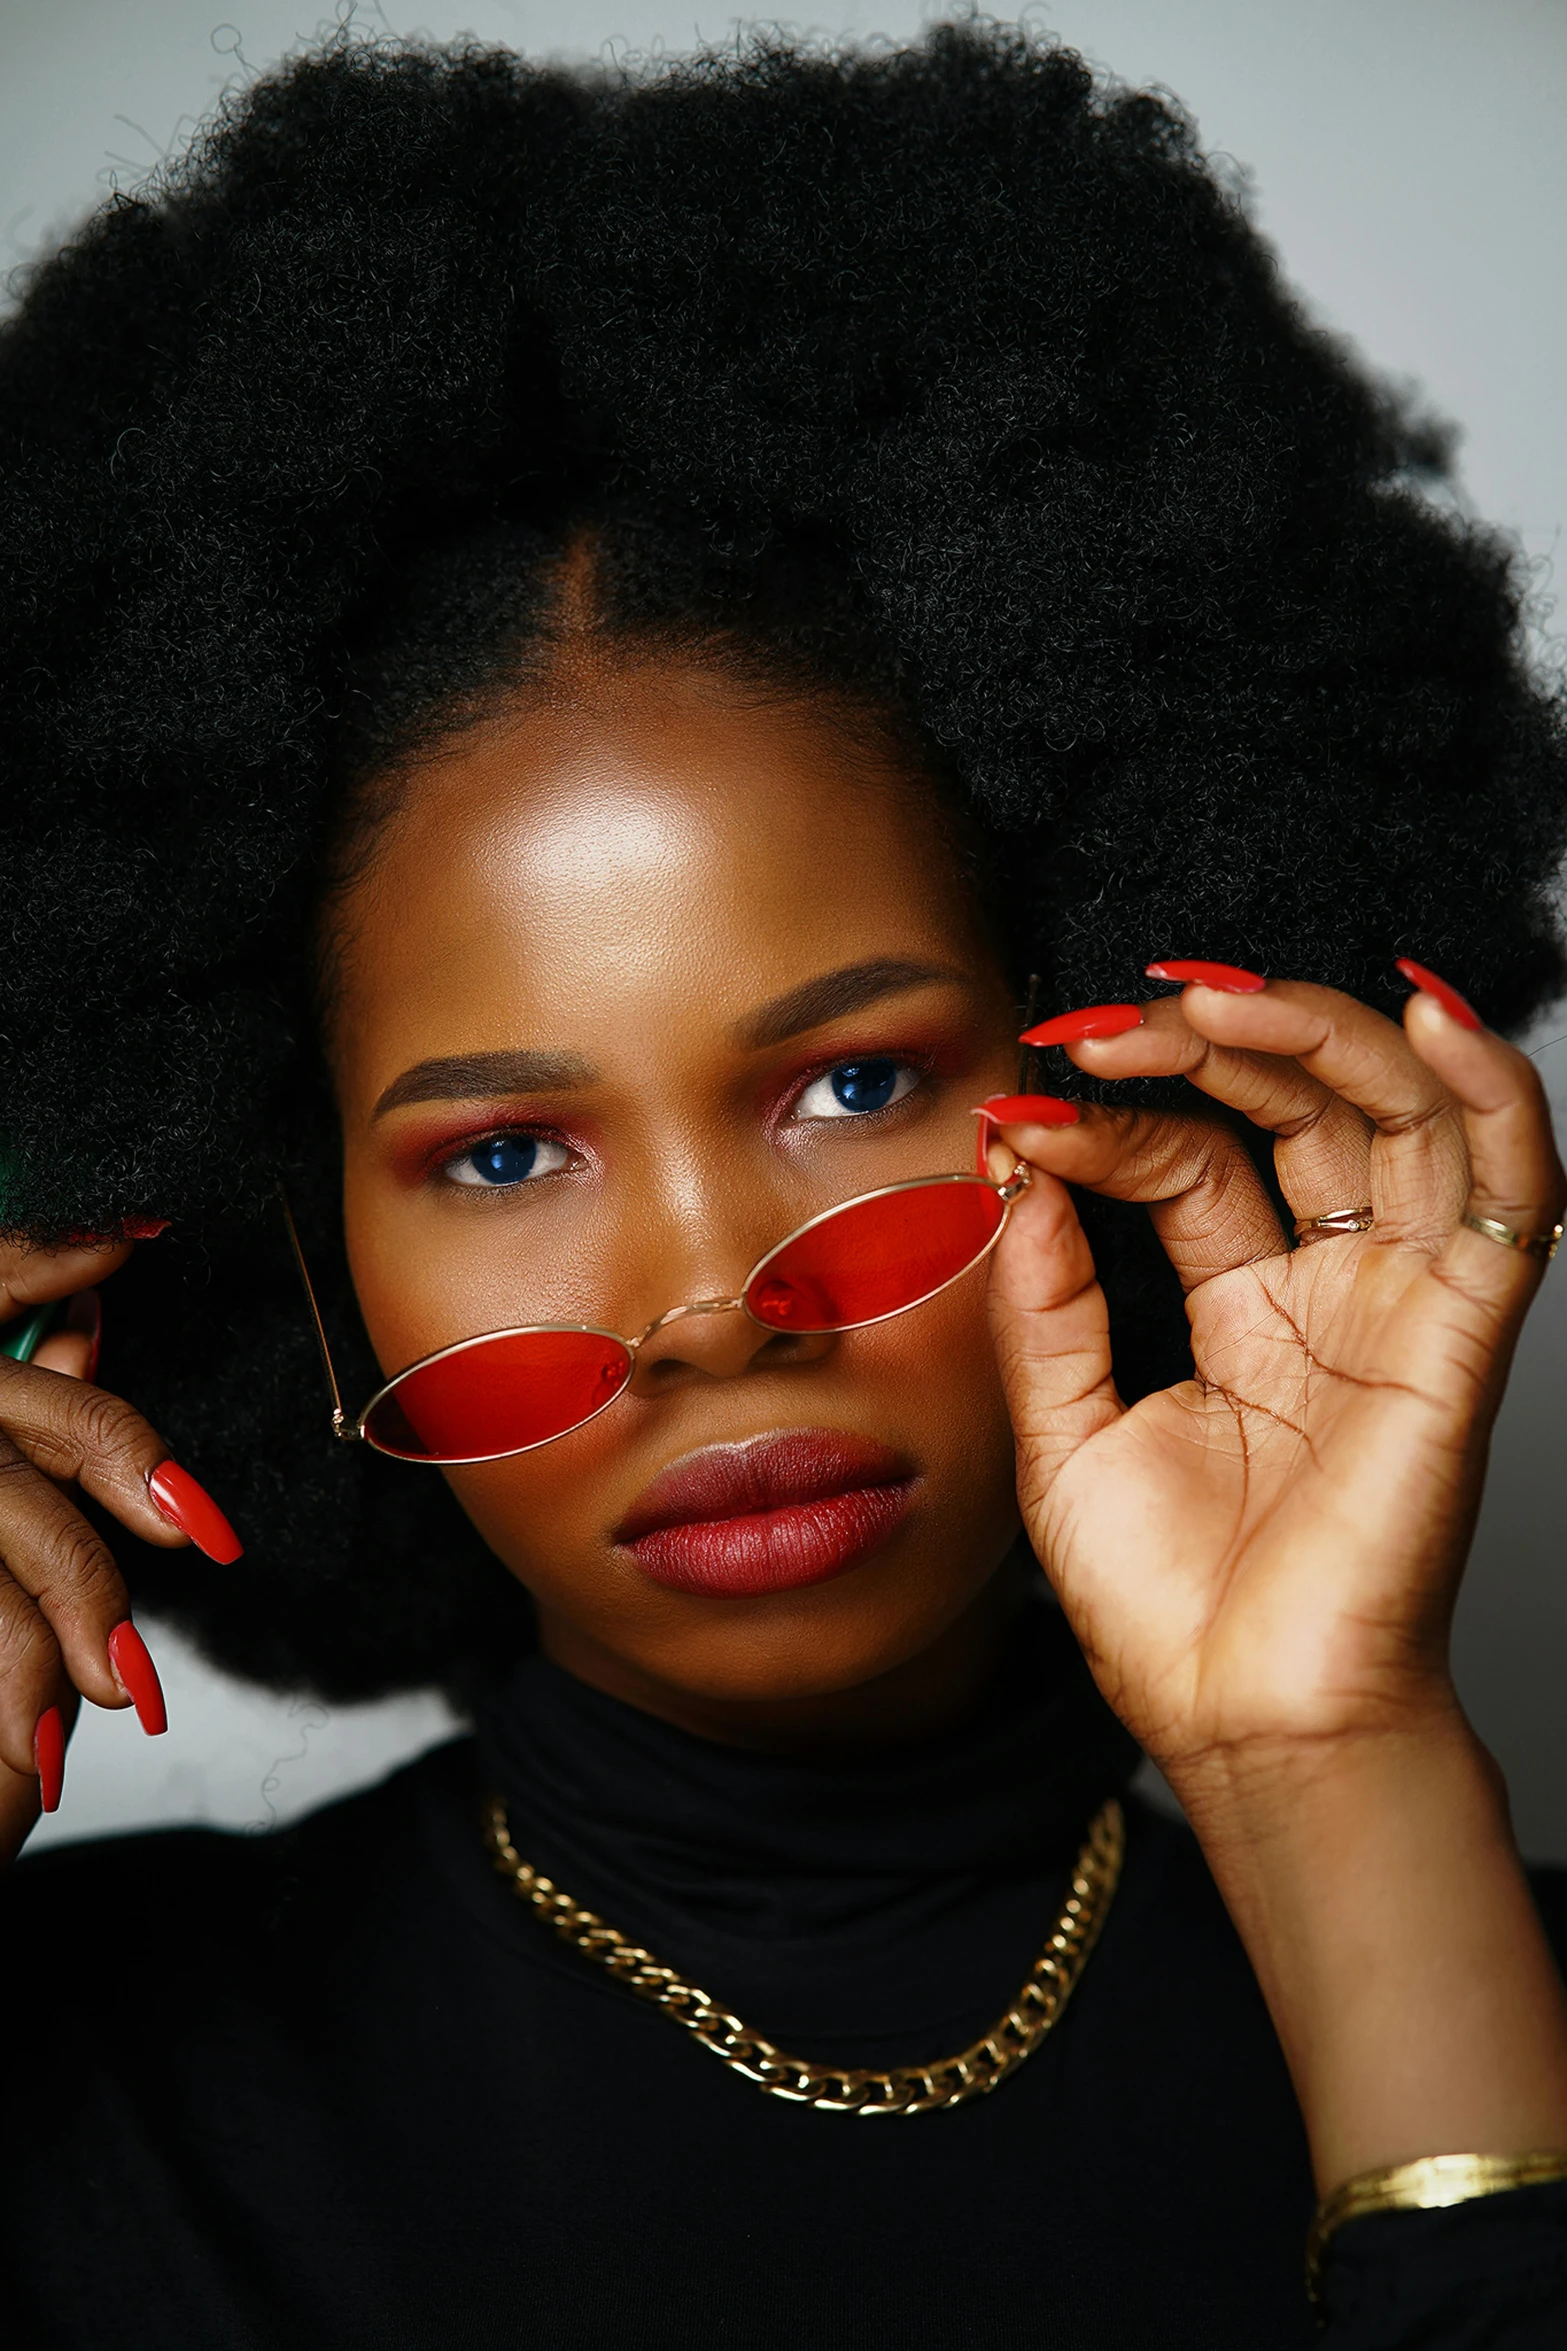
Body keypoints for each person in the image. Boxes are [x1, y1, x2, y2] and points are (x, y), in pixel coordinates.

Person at [2, 22, 1566, 2346]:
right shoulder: (76, 2078)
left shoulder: (1509, 1979)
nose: (721, 1303)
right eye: (505, 1146)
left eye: (849, 1084)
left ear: (1112, 1056)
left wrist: (1332, 1763)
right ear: (296, 1247)